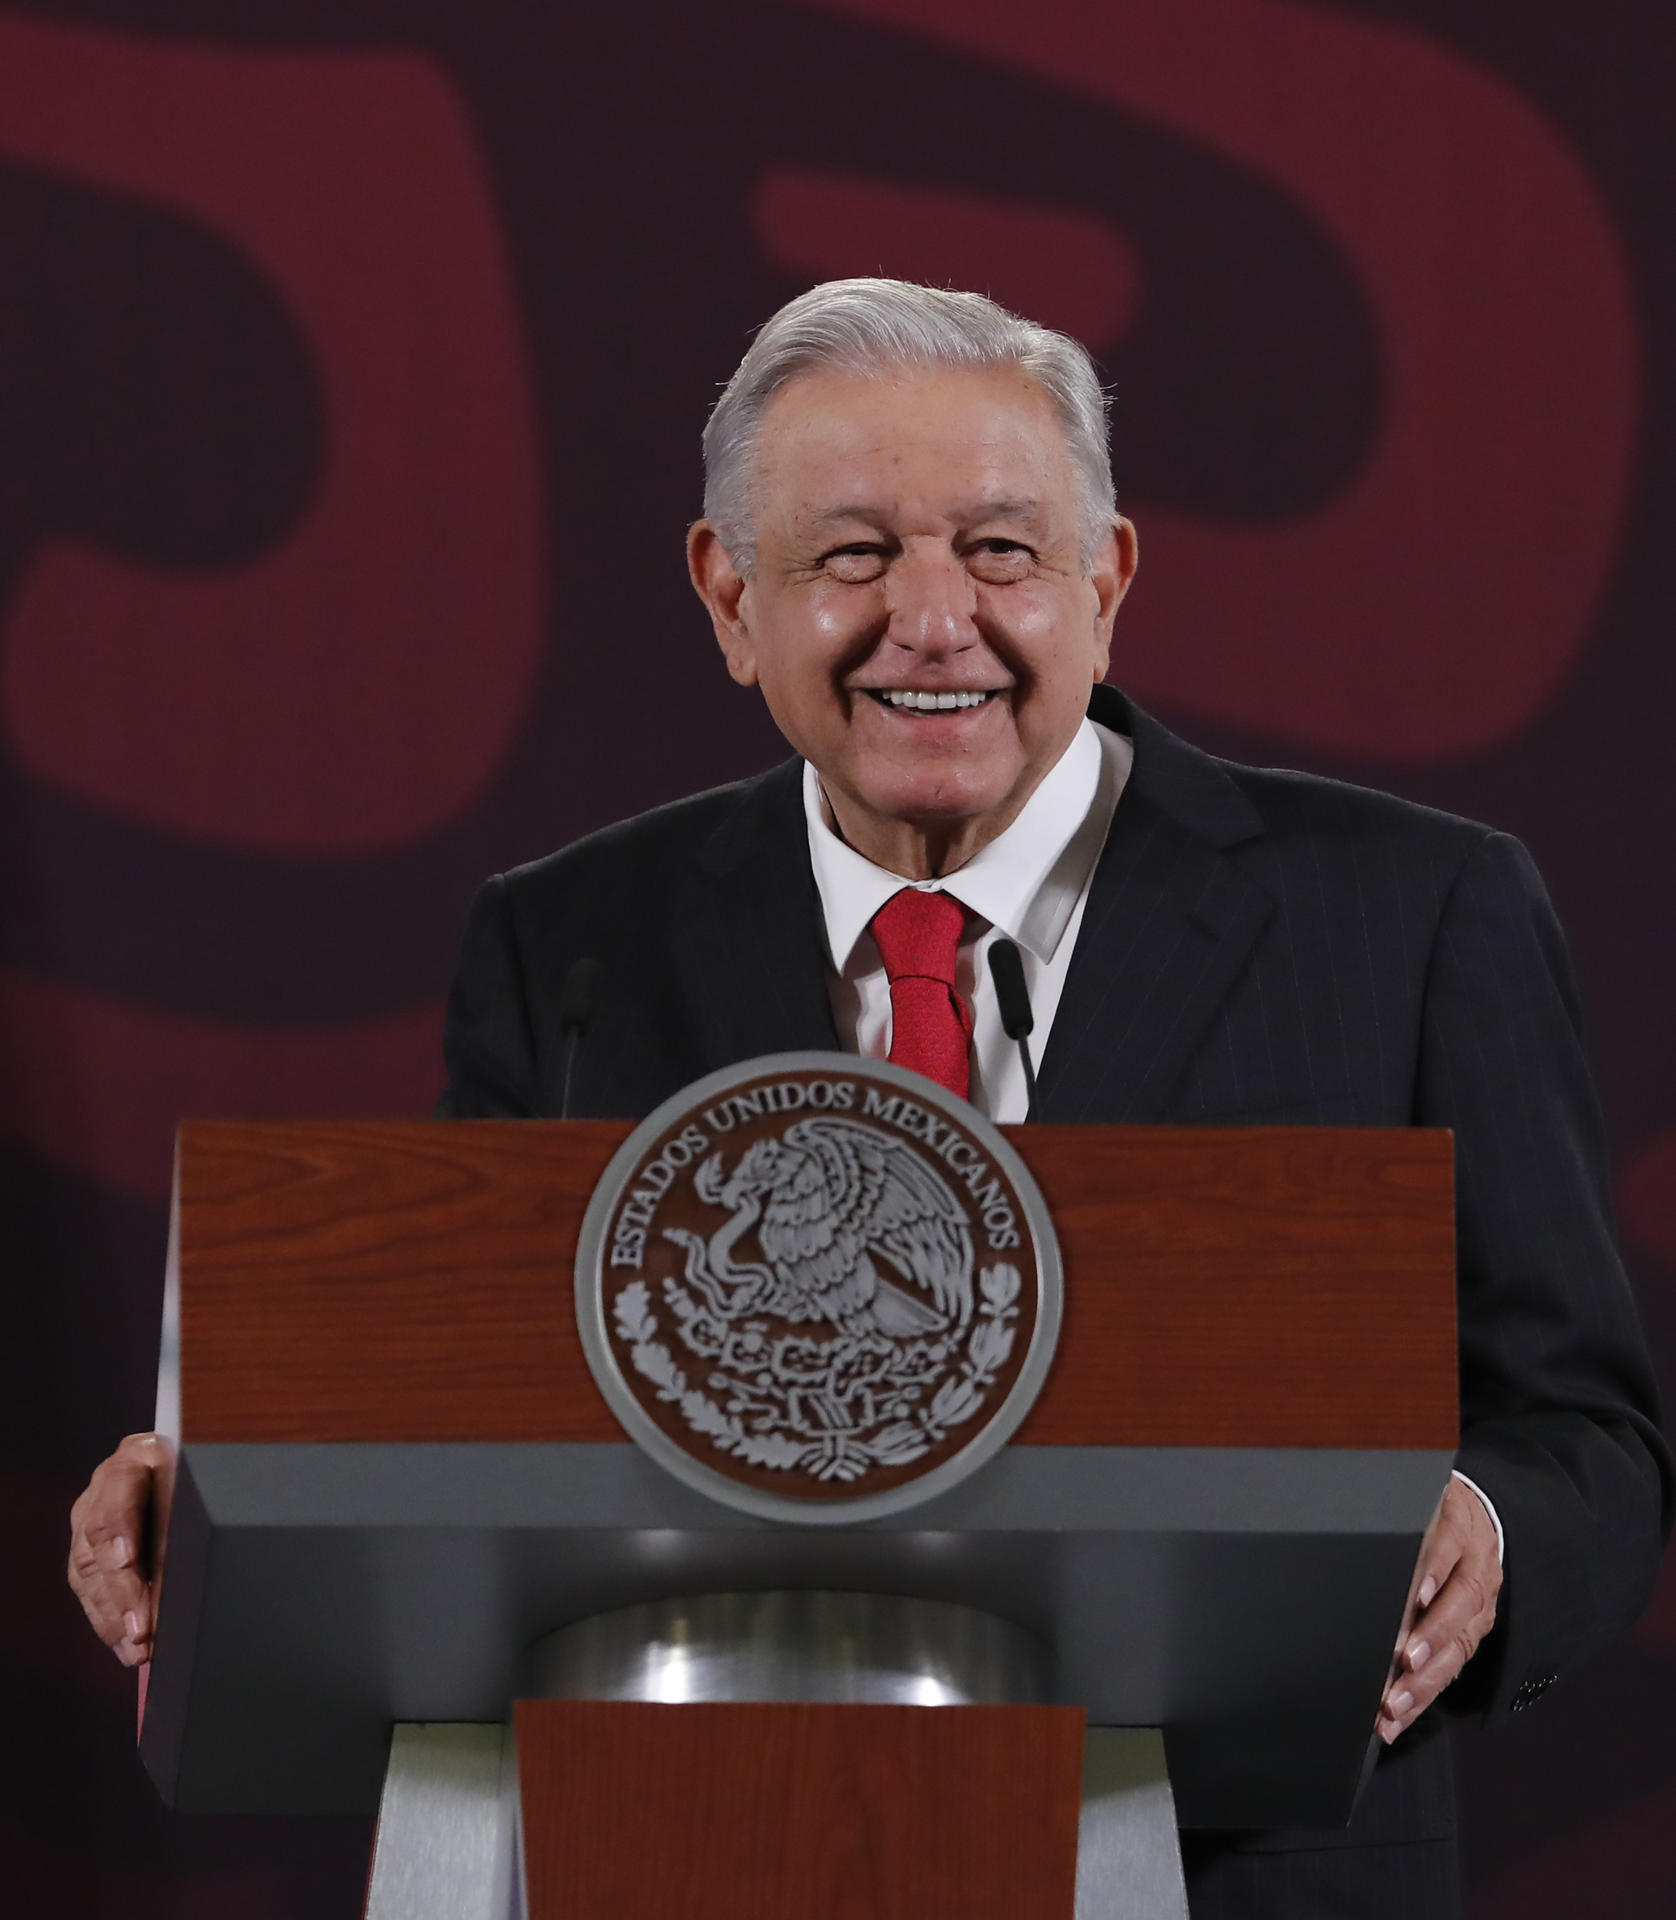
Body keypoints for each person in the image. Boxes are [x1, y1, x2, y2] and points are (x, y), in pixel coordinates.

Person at [69, 279, 1670, 1917]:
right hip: (681, 1847)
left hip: (1245, 1866)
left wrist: (1485, 1529)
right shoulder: (573, 943)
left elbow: (1595, 1440)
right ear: (729, 596)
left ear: (1104, 587)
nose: (932, 619)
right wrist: (222, 1481)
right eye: (851, 555)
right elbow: (469, 1400)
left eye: (1000, 550)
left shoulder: (1410, 914)